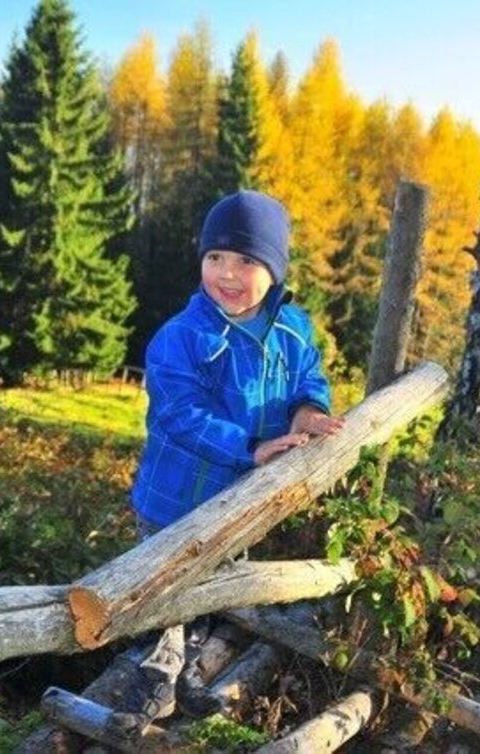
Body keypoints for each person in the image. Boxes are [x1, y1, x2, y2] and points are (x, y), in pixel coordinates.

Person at [110, 190, 344, 739]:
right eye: (215, 258)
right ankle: (146, 696)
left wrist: (310, 410)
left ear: (274, 269)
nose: (228, 274)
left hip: (239, 502)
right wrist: (252, 449)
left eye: (245, 261)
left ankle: (185, 674)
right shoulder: (182, 338)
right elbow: (180, 415)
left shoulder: (292, 328)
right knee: (164, 595)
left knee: (211, 593)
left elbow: (310, 376)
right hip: (174, 501)